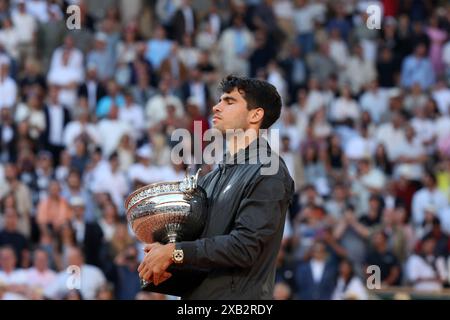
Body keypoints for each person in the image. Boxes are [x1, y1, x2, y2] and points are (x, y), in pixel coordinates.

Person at [138, 76, 295, 299]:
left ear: (255, 115)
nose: (216, 106)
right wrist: (164, 259)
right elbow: (200, 253)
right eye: (220, 100)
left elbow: (244, 247)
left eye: (229, 101)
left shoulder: (269, 171)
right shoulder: (209, 178)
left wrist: (176, 252)